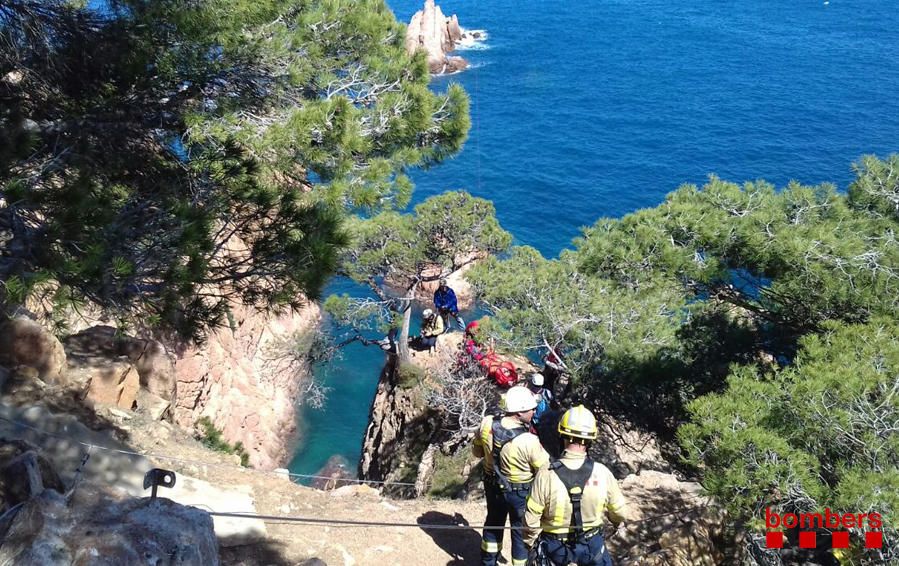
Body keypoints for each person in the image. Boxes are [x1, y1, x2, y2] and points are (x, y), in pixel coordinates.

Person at [524, 405, 627, 566]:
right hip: (592, 546)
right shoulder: (602, 473)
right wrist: (616, 522)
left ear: (561, 435)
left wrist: (531, 543)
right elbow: (620, 512)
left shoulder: (546, 474)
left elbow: (531, 520)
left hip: (555, 548)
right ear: (591, 439)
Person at [473, 386, 550, 566]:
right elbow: (545, 470)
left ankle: (488, 562)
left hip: (492, 486)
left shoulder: (486, 424)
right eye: (531, 408)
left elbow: (477, 452)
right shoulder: (529, 441)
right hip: (520, 493)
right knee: (520, 531)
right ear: (519, 412)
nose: (533, 411)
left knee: (493, 523)